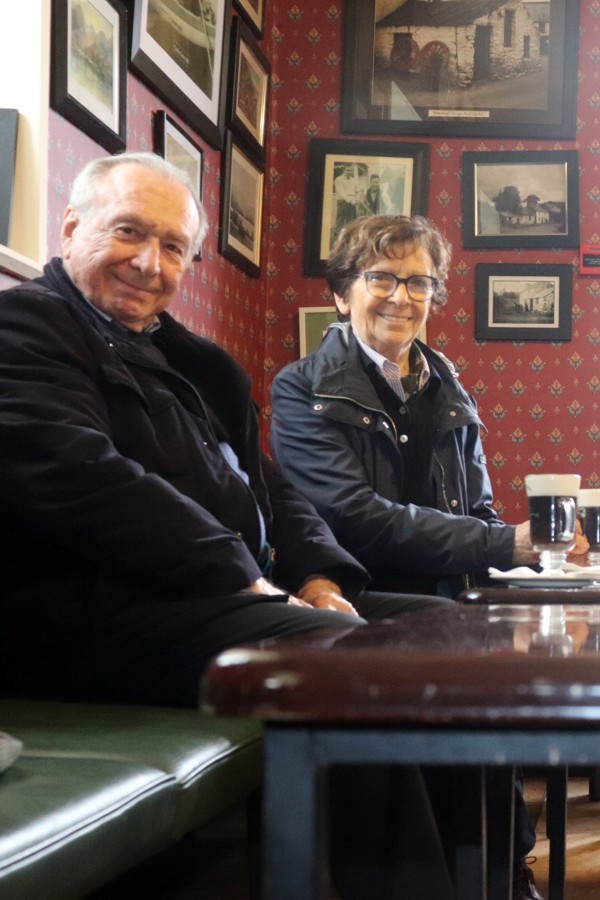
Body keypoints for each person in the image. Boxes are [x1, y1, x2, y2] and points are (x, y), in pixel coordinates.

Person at [0, 153, 459, 899]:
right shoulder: (25, 325)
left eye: (173, 247)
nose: (150, 264)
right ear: (72, 227)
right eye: (128, 232)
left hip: (216, 599)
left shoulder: (181, 356)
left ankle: (480, 877)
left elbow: (270, 485)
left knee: (441, 631)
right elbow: (79, 475)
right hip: (100, 615)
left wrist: (320, 578)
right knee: (344, 656)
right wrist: (243, 577)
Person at [271, 214, 587, 600]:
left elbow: (478, 518)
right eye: (381, 278)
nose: (401, 297)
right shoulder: (302, 388)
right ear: (342, 295)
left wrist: (550, 561)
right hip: (355, 600)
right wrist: (507, 543)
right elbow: (352, 517)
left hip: (457, 601)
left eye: (418, 283)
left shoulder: (453, 394)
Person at [334, 163, 362, 237]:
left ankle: (349, 234)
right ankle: (338, 235)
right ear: (344, 170)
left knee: (351, 219)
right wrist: (350, 200)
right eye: (347, 170)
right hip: (342, 201)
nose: (349, 172)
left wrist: (357, 198)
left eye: (350, 170)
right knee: (341, 219)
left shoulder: (353, 180)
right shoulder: (338, 179)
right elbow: (340, 192)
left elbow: (358, 191)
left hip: (352, 202)